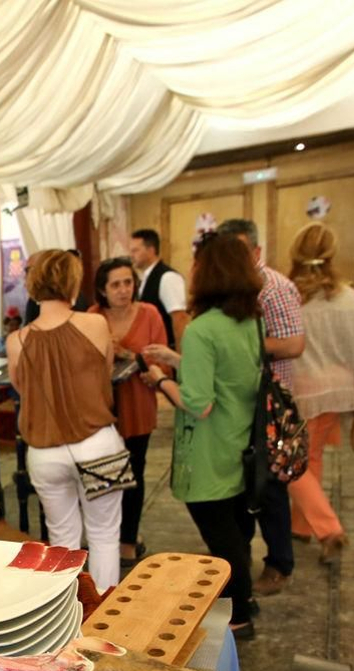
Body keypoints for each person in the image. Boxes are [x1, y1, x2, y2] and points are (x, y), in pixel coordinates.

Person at [141, 233, 263, 640]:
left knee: (222, 536)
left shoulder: (201, 329)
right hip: (239, 438)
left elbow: (198, 402)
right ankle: (245, 598)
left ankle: (239, 611)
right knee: (236, 528)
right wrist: (177, 360)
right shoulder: (247, 321)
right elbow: (229, 375)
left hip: (209, 447)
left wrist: (160, 380)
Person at [6, 249, 127, 588]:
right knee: (104, 535)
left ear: (33, 286)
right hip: (99, 444)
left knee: (62, 541)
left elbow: (21, 388)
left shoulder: (16, 341)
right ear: (73, 283)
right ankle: (103, 616)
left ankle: (66, 623)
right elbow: (105, 373)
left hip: (45, 452)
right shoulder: (96, 324)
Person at [213, 218, 304, 598]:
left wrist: (240, 345)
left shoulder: (274, 287)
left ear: (255, 251)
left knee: (269, 486)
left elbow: (294, 344)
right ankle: (239, 559)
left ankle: (279, 562)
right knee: (242, 482)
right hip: (238, 402)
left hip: (268, 403)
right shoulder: (231, 291)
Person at [285, 223, 354, 564]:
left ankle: (327, 528)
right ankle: (302, 526)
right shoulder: (350, 298)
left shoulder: (289, 296)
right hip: (338, 390)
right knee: (312, 458)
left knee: (291, 464)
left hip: (298, 391)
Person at [87, 257, 168, 567]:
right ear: (102, 290)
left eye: (128, 282)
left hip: (137, 405)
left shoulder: (149, 314)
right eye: (115, 284)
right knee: (104, 474)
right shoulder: (92, 317)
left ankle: (128, 541)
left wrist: (132, 357)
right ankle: (103, 536)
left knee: (134, 474)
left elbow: (162, 361)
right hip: (101, 409)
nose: (123, 290)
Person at [128, 228, 188, 348]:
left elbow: (179, 318)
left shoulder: (168, 277)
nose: (131, 256)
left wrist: (179, 354)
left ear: (151, 250)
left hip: (168, 348)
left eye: (135, 251)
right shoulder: (144, 277)